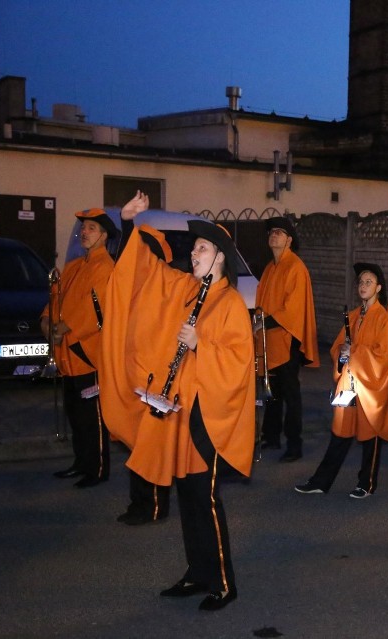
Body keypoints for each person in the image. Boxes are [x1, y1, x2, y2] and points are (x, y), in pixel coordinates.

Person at [100, 191, 256, 611]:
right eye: (194, 249)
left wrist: (201, 343)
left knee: (205, 497)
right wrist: (129, 224)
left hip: (208, 414)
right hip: (182, 410)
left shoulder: (229, 303)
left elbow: (241, 362)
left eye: (202, 249)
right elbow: (147, 271)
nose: (194, 255)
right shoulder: (188, 289)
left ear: (220, 257)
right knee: (188, 496)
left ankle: (224, 581)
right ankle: (197, 573)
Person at [295, 263, 388, 498]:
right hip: (349, 382)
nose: (363, 285)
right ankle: (321, 481)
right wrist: (342, 352)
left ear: (379, 287)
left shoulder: (383, 318)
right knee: (339, 431)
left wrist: (356, 352)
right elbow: (338, 348)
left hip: (371, 385)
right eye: (360, 282)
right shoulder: (352, 316)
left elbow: (384, 355)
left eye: (368, 282)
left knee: (371, 432)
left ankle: (367, 483)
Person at [42, 208, 116, 488]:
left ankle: (97, 469)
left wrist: (66, 327)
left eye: (92, 228)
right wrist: (47, 319)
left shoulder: (106, 268)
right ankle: (81, 462)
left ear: (104, 235)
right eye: (83, 228)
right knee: (75, 413)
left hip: (87, 355)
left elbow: (99, 312)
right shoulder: (74, 266)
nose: (84, 232)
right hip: (67, 354)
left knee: (92, 417)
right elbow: (55, 297)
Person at [255, 217, 319, 462]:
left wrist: (264, 322)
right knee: (272, 391)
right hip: (269, 340)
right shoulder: (270, 266)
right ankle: (271, 436)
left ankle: (295, 444)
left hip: (288, 338)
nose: (274, 236)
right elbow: (263, 303)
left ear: (289, 239)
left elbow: (292, 309)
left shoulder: (295, 267)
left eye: (280, 233)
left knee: (291, 394)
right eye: (271, 232)